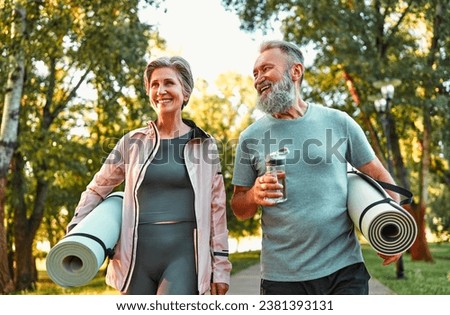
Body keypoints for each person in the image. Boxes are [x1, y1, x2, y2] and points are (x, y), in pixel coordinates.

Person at [231, 40, 401, 295]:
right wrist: (254, 194)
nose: (258, 79)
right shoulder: (250, 138)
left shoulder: (338, 121)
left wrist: (393, 230)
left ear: (295, 71)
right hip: (283, 277)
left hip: (344, 269)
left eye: (266, 69)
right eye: (255, 74)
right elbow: (239, 207)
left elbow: (379, 176)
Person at [67, 56, 231, 295]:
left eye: (169, 83)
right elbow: (97, 188)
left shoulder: (204, 145)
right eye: (154, 85)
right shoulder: (132, 142)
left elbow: (217, 209)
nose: (160, 90)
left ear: (185, 92)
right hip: (135, 259)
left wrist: (221, 267)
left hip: (184, 258)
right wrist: (76, 230)